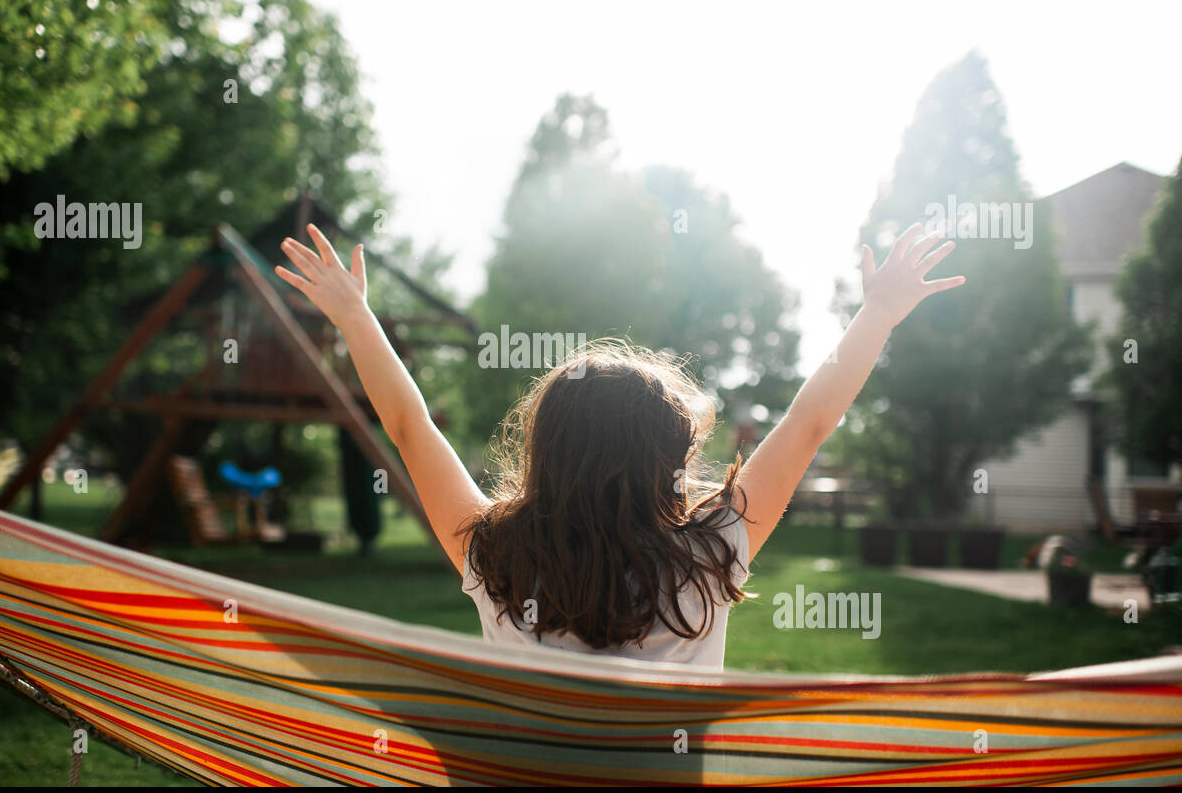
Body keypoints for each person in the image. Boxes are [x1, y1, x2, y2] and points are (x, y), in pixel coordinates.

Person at [277, 222, 963, 668]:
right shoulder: (712, 549)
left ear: (547, 452)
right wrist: (877, 312)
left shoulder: (495, 555)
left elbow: (408, 425)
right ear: (665, 461)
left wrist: (354, 316)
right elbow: (811, 421)